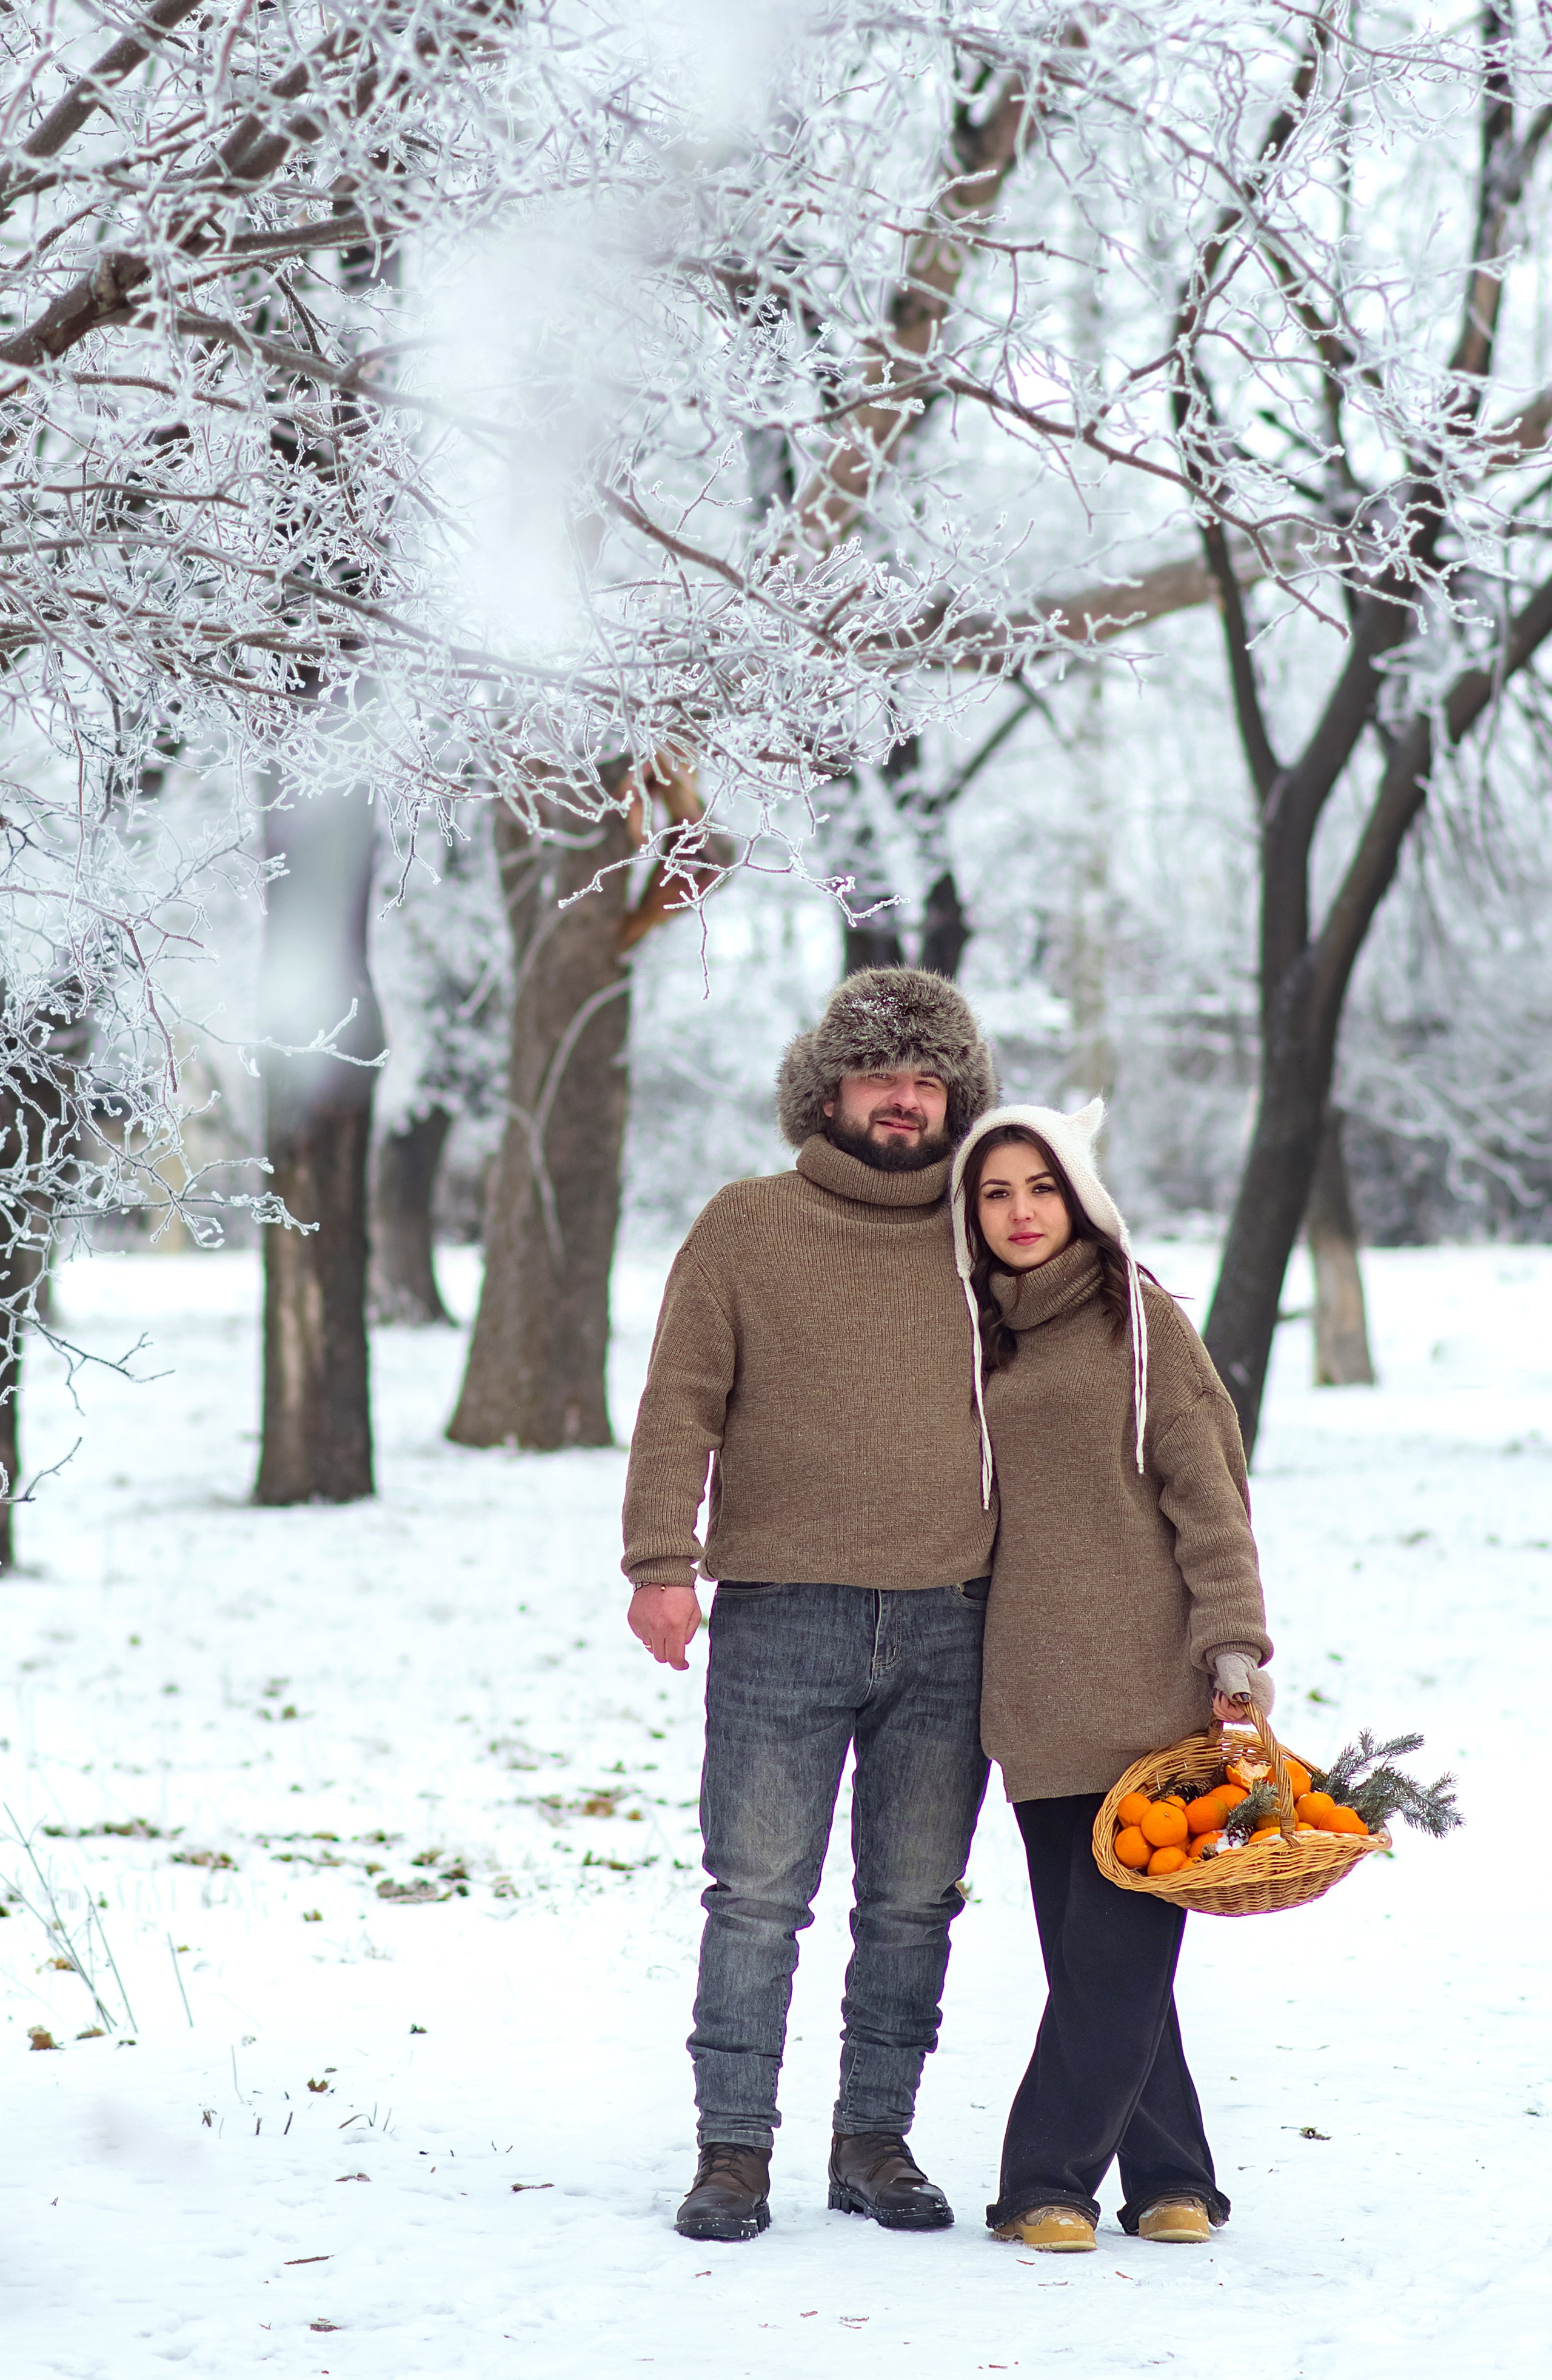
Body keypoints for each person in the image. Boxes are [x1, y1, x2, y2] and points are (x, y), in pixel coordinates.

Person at [623, 967, 999, 2244]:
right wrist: (658, 1561)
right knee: (757, 1895)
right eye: (880, 1073)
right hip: (782, 1612)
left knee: (912, 1902)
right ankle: (732, 2151)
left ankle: (872, 2141)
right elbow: (678, 1400)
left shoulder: (988, 1231)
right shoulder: (746, 1225)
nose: (904, 1097)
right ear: (825, 1089)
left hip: (953, 1614)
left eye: (926, 1076)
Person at [948, 1100, 1274, 2255]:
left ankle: (1044, 2178)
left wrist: (1233, 1651)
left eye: (1040, 1186)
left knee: (1121, 1950)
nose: (1021, 1211)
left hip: (1152, 1690)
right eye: (995, 1193)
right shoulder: (975, 1331)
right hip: (1033, 1695)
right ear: (971, 1215)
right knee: (1092, 1957)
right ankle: (1174, 2175)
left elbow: (1211, 1495)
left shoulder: (1138, 1322)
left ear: (1078, 1196)